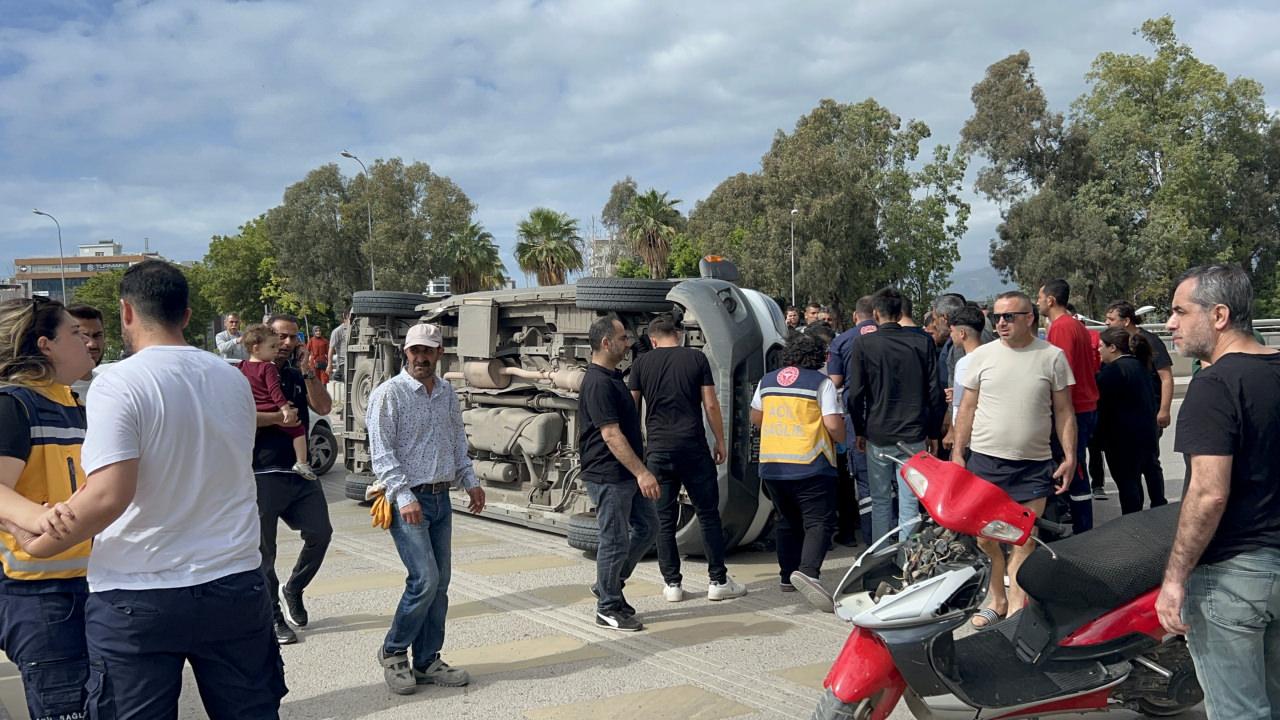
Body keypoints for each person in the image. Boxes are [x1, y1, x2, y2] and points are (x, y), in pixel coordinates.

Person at [14, 260, 286, 718]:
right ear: (186, 315)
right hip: (234, 584)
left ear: (125, 312)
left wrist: (38, 543)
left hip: (139, 591)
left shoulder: (118, 382)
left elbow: (109, 495)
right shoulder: (231, 379)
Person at [1156, 265, 1280, 719]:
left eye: (1180, 311)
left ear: (1220, 315)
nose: (1170, 323)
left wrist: (1173, 580)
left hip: (1233, 577)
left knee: (1240, 711)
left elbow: (1209, 493)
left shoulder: (1215, 385)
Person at [366, 323, 485, 695]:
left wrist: (470, 479)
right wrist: (403, 496)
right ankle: (394, 650)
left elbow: (454, 439)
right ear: (406, 353)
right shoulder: (390, 394)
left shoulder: (446, 392)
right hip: (409, 500)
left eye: (428, 351)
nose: (421, 357)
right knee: (424, 580)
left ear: (439, 353)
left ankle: (427, 659)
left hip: (440, 497)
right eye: (415, 351)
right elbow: (381, 451)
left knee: (441, 584)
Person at [951, 290, 1076, 628]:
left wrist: (1070, 455)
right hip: (986, 462)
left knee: (1022, 537)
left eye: (1009, 316)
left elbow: (1064, 410)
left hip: (1034, 464)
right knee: (986, 537)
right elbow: (967, 408)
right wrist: (958, 452)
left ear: (1030, 318)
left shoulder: (1052, 357)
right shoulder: (981, 357)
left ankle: (1017, 605)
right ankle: (997, 597)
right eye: (996, 317)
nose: (1001, 323)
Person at [0, 297, 94, 719]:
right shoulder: (14, 405)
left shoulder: (72, 405)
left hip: (91, 587)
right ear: (45, 345)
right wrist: (35, 520)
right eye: (76, 333)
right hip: (41, 599)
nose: (89, 342)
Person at [629, 316, 746, 602]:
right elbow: (710, 403)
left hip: (658, 451)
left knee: (663, 519)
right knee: (708, 514)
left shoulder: (641, 364)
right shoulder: (695, 359)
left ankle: (672, 585)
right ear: (678, 335)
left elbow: (631, 407)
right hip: (693, 448)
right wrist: (720, 440)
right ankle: (718, 580)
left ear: (653, 340)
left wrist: (638, 451)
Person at [254, 314, 334, 645]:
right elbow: (238, 415)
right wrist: (280, 417)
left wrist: (307, 372)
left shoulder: (295, 374)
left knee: (321, 533)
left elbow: (324, 407)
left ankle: (294, 588)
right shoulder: (245, 374)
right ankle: (273, 617)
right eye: (279, 337)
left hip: (300, 471)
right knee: (264, 553)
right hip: (260, 472)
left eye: (292, 337)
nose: (287, 343)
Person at [751, 333, 844, 608]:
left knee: (787, 520)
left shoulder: (767, 380)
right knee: (818, 521)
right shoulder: (821, 383)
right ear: (819, 356)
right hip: (810, 463)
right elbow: (833, 423)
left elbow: (756, 417)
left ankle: (786, 576)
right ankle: (809, 573)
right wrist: (844, 440)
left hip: (773, 465)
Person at [845, 287, 945, 543]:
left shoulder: (864, 343)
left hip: (877, 433)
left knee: (879, 501)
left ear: (876, 313)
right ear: (901, 312)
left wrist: (859, 429)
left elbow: (855, 393)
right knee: (909, 500)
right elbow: (934, 392)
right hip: (914, 433)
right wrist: (934, 432)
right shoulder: (922, 342)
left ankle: (880, 557)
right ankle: (906, 559)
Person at [579, 315, 659, 632]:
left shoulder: (612, 377)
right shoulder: (598, 382)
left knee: (648, 527)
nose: (628, 343)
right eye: (623, 338)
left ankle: (608, 584)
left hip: (624, 473)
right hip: (608, 475)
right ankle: (607, 606)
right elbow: (611, 435)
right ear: (606, 343)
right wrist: (642, 473)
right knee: (614, 541)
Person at [1038, 279, 1099, 534]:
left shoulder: (1061, 328)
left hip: (1076, 408)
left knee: (1075, 470)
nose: (1038, 302)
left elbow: (1062, 374)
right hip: (1087, 404)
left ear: (1051, 300)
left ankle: (1084, 529)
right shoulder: (1076, 325)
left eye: (1040, 297)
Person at [1104, 300, 1172, 507]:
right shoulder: (1121, 345)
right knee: (1132, 469)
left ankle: (1158, 503)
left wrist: (1164, 410)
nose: (1107, 323)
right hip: (1129, 416)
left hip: (1149, 411)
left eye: (1111, 319)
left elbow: (1166, 377)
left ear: (1126, 321)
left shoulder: (1149, 340)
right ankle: (1138, 509)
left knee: (1150, 463)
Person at [239, 324, 317, 482]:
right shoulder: (268, 367)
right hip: (271, 406)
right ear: (256, 348)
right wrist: (285, 409)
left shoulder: (241, 366)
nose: (277, 349)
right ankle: (302, 462)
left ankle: (244, 462)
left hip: (254, 408)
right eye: (273, 346)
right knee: (298, 430)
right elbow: (275, 390)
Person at [828, 296, 877, 545]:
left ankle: (870, 542)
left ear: (855, 316)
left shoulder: (842, 340)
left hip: (857, 416)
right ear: (877, 314)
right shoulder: (897, 336)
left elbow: (834, 380)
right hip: (894, 418)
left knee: (865, 484)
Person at [1094, 327, 1159, 514]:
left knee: (1128, 486)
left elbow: (1103, 407)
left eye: (1101, 346)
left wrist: (1096, 438)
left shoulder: (1112, 372)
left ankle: (1132, 523)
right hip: (1145, 435)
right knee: (1137, 481)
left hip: (1121, 440)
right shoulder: (1141, 365)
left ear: (1112, 347)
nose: (1099, 351)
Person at [944, 305, 985, 441]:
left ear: (962, 333)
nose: (951, 335)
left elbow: (961, 407)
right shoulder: (991, 357)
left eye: (951, 331)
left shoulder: (964, 364)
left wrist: (957, 440)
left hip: (969, 437)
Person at [67, 304, 106, 399]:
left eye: (97, 335)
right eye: (83, 336)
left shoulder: (111, 387)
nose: (92, 344)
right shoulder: (47, 394)